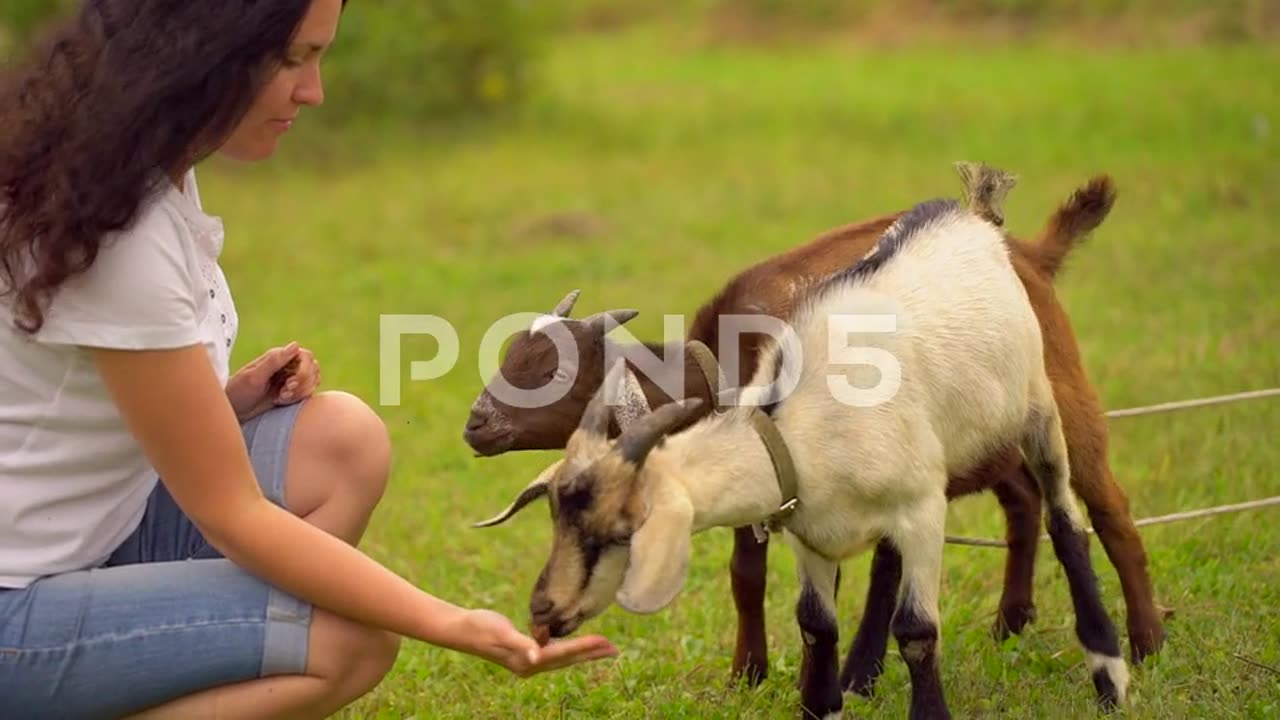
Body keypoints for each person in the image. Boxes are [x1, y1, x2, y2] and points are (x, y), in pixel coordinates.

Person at [0, 1, 618, 718]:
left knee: (341, 441)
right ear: (197, 52)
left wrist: (221, 404)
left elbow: (58, 410)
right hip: (18, 606)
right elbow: (232, 513)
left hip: (91, 537)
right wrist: (453, 622)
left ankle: (197, 653)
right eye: (291, 59)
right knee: (347, 637)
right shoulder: (122, 236)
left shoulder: (126, 170)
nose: (313, 91)